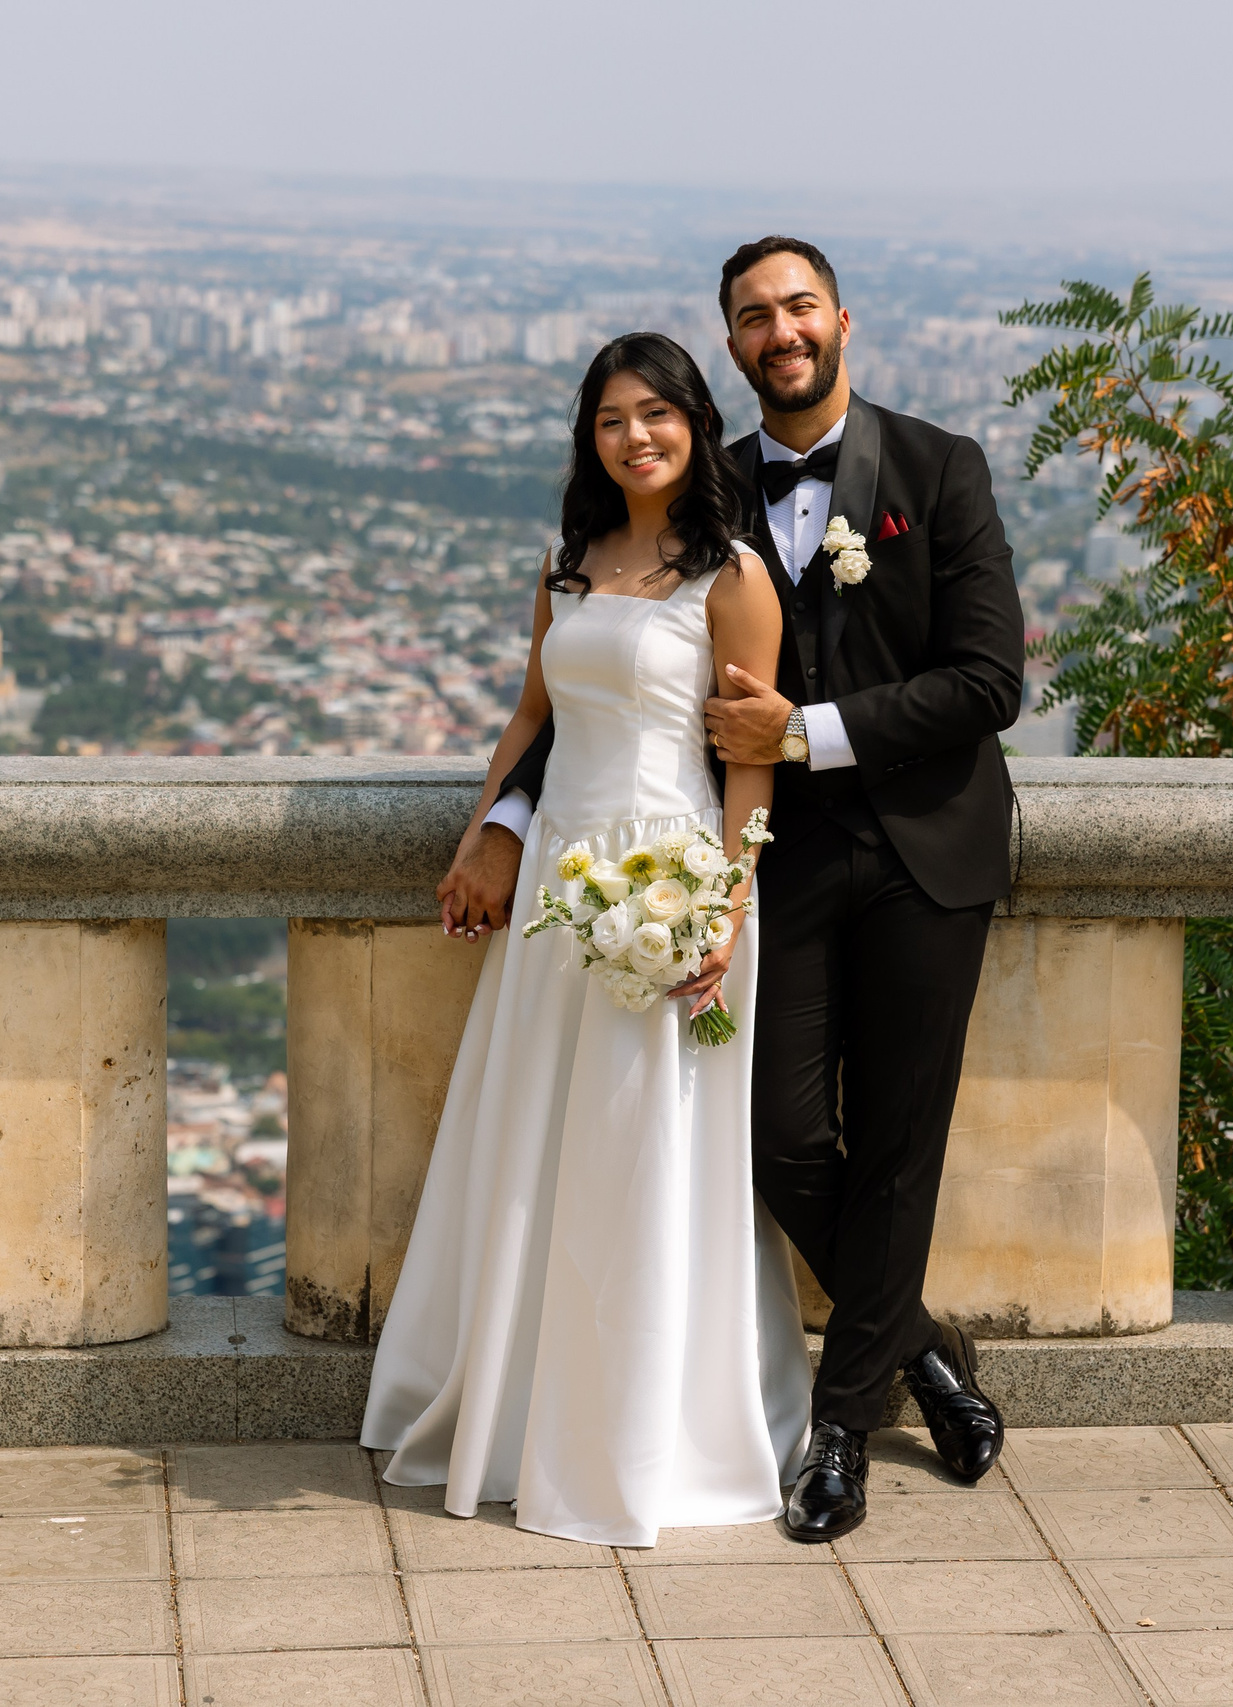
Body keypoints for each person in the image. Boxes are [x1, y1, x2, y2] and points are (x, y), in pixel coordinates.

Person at [455, 236, 1025, 1542]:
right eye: (754, 315)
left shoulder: (939, 467)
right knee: (772, 1140)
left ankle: (839, 1430)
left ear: (841, 319)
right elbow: (603, 672)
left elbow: (991, 682)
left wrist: (806, 733)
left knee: (897, 1143)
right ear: (732, 344)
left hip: (926, 850)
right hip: (771, 864)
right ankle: (926, 1357)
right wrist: (502, 815)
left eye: (799, 306)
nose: (781, 329)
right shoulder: (688, 488)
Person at [359, 331, 812, 1547]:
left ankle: (647, 1428)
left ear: (692, 425)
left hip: (674, 884)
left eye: (656, 414)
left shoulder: (735, 578)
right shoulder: (564, 566)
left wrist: (723, 905)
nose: (635, 438)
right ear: (590, 440)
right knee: (543, 1141)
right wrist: (484, 834)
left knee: (646, 1146)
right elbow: (530, 715)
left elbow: (749, 756)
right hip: (563, 889)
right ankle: (519, 1408)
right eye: (611, 420)